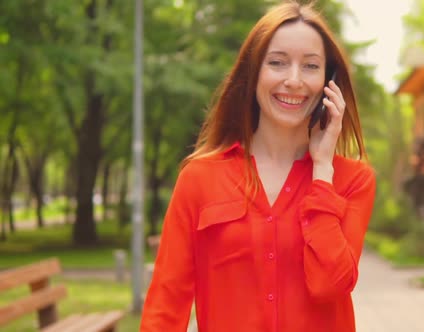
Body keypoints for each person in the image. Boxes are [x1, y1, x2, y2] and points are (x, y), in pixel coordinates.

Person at [140, 1, 376, 331]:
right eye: (277, 63)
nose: (294, 81)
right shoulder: (199, 178)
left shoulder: (353, 180)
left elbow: (329, 285)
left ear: (329, 81)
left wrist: (322, 170)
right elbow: (166, 305)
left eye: (310, 66)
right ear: (253, 74)